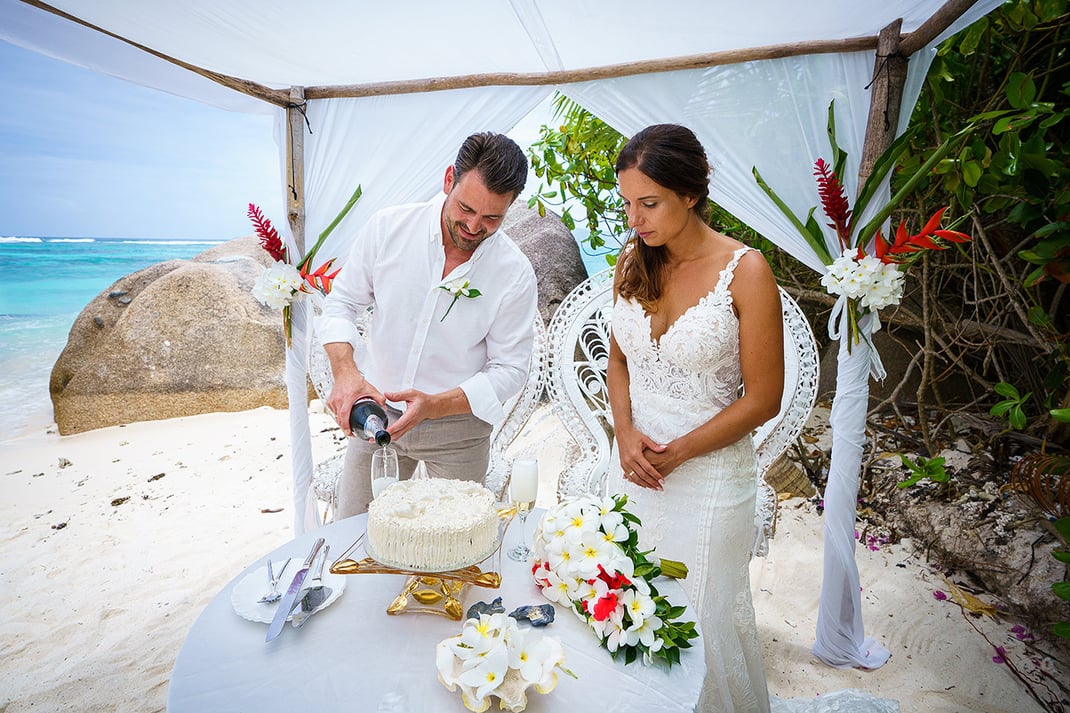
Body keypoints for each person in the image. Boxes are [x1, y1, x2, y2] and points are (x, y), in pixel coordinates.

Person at [604, 124, 784, 712]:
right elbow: (619, 363)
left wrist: (677, 452)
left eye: (648, 203)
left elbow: (763, 400)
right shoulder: (634, 261)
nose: (635, 218)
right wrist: (624, 433)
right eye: (627, 202)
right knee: (622, 613)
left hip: (706, 481)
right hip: (631, 471)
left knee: (693, 631)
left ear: (690, 193)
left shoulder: (747, 270)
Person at [318, 132, 538, 518]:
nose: (473, 226)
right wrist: (346, 374)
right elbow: (341, 303)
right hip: (376, 414)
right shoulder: (388, 228)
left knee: (452, 550)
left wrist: (436, 405)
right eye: (465, 208)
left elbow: (511, 369)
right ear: (448, 178)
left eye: (492, 218)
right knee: (352, 536)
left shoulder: (515, 272)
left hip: (459, 429)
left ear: (511, 205)